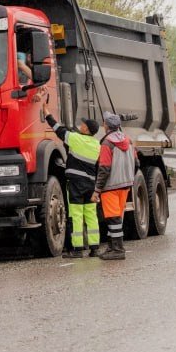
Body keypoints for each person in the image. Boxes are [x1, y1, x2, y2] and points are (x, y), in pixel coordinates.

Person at [44, 112, 101, 258]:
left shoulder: (76, 139)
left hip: (76, 184)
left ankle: (77, 250)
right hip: (90, 185)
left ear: (86, 129)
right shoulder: (96, 145)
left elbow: (59, 130)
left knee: (76, 216)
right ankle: (94, 248)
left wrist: (48, 115)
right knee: (91, 216)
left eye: (83, 124)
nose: (81, 125)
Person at [94, 111, 136, 260]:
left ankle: (118, 249)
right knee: (116, 218)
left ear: (106, 125)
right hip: (125, 185)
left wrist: (97, 190)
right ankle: (112, 247)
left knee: (113, 219)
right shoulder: (128, 141)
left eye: (104, 122)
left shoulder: (107, 143)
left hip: (110, 187)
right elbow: (136, 162)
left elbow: (104, 168)